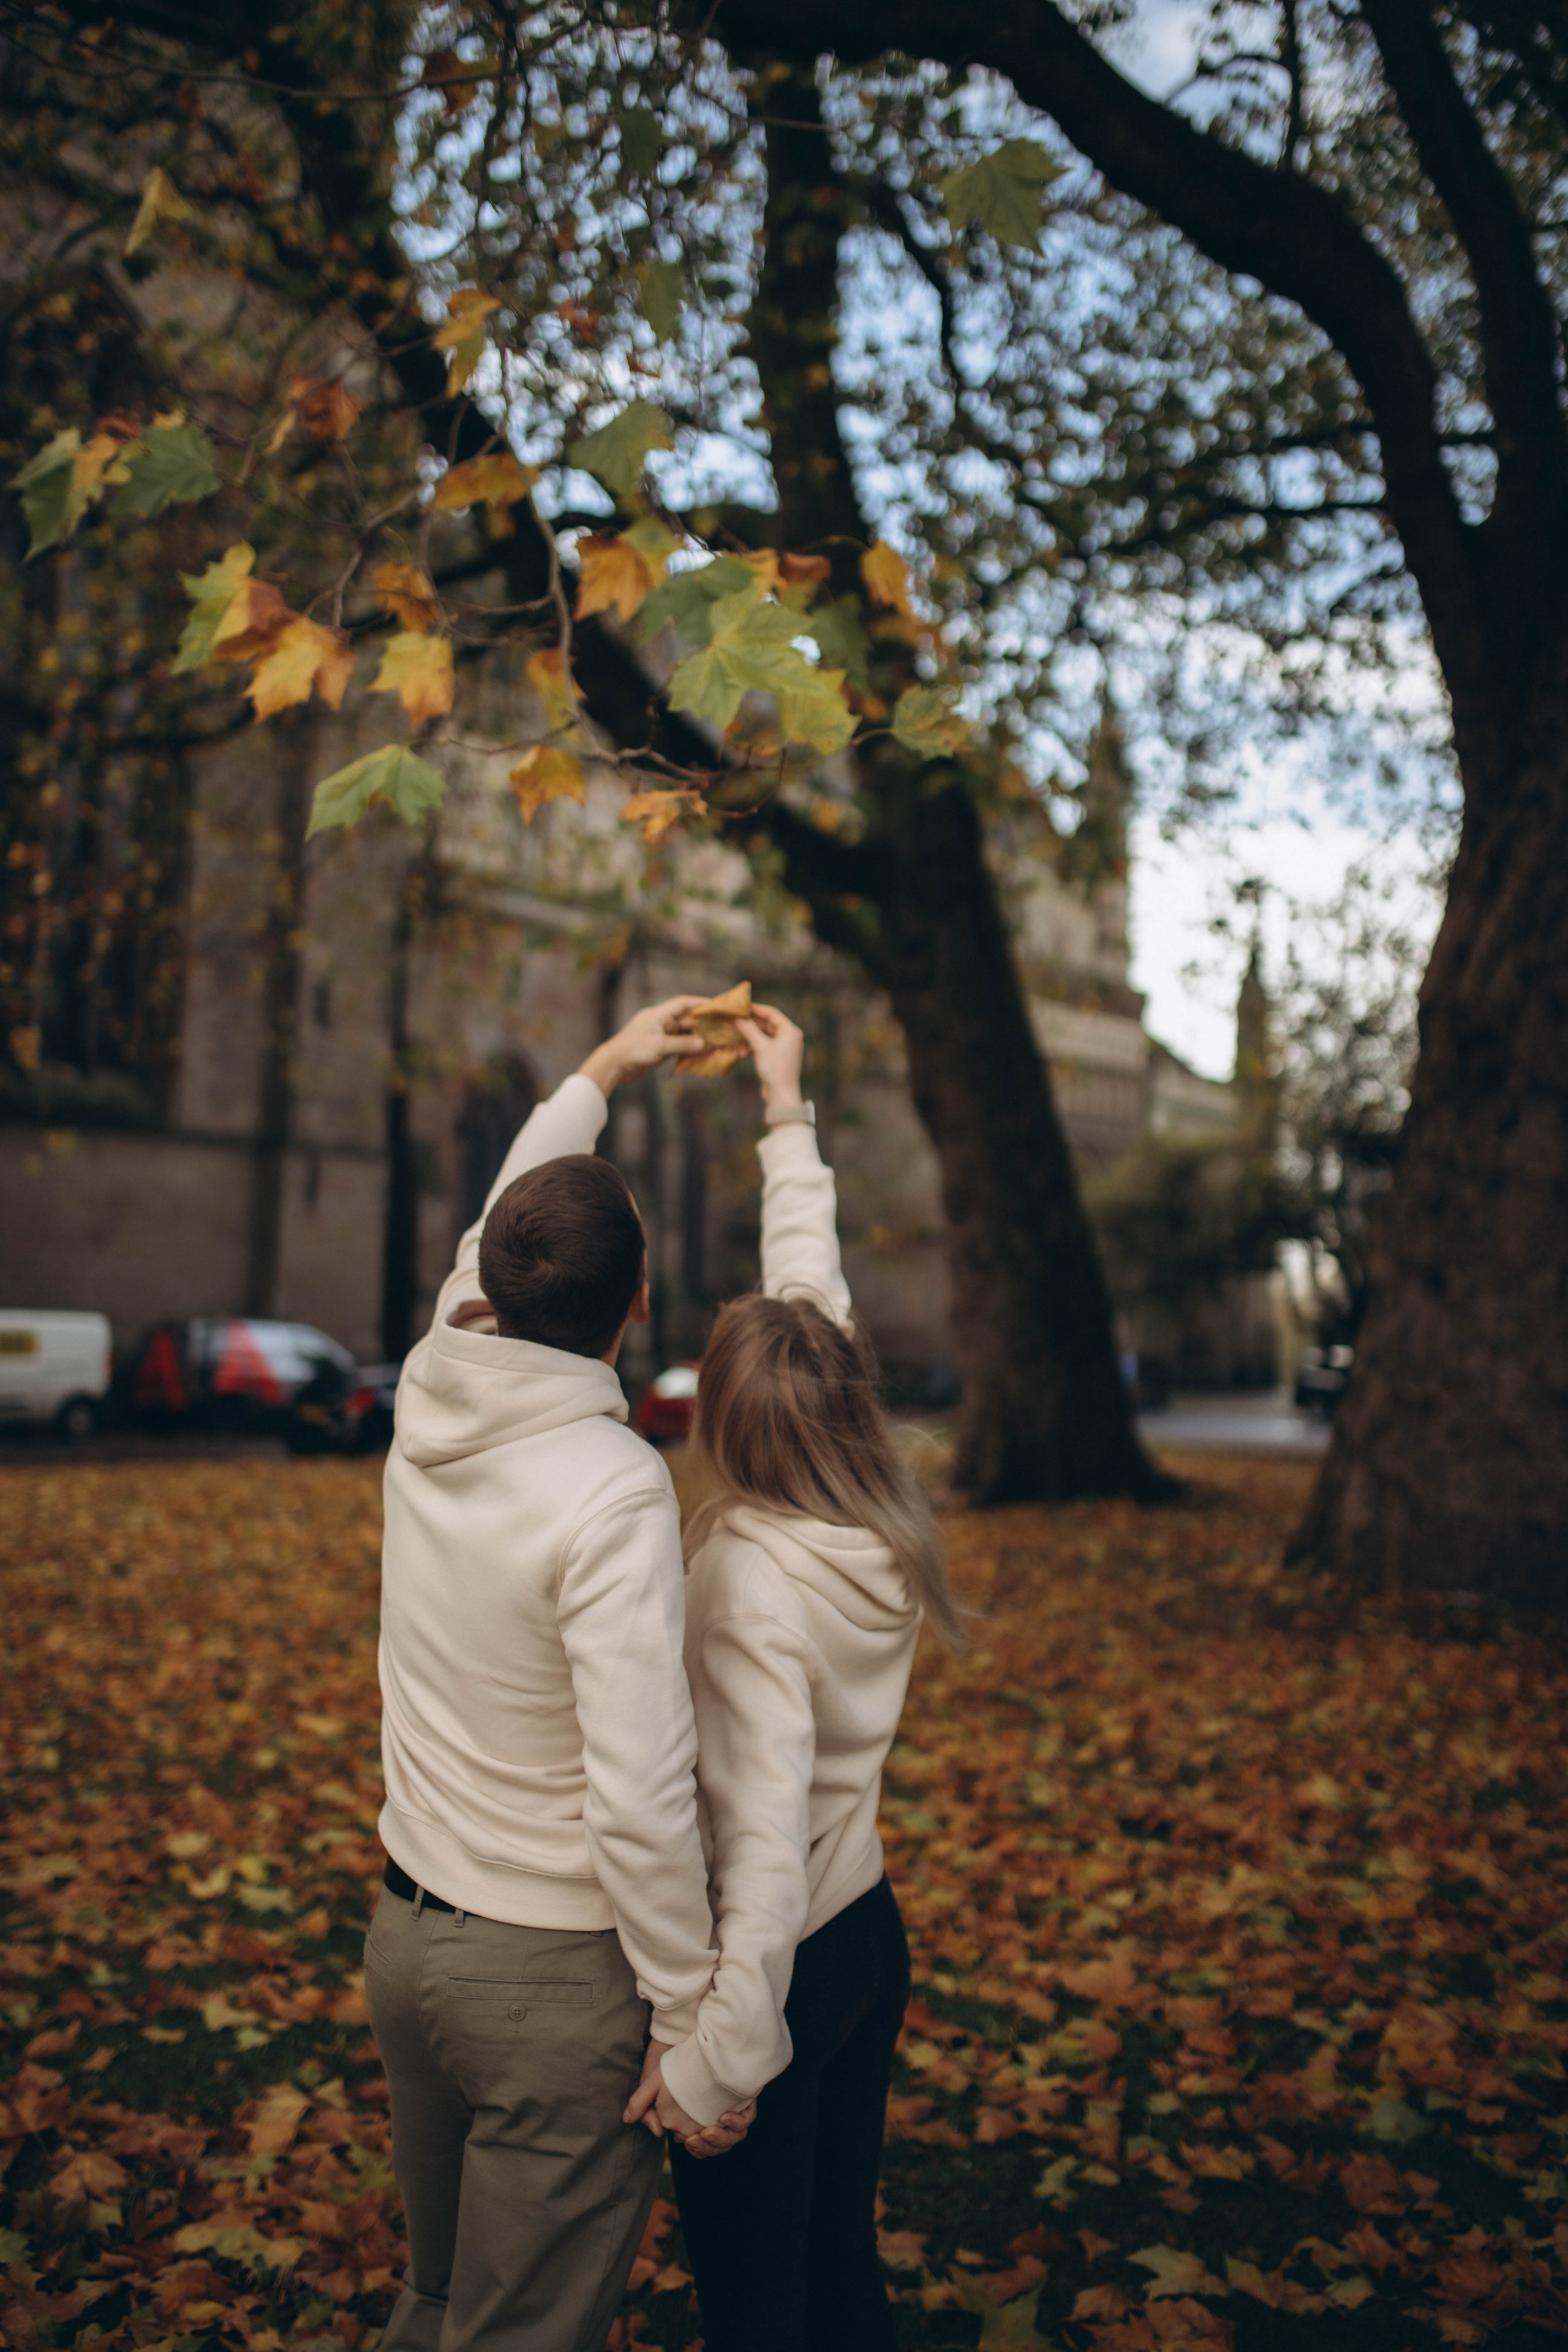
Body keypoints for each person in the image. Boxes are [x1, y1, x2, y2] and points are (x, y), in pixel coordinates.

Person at [366, 998, 753, 2352]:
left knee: (433, 2302)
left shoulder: (430, 1375)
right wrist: (692, 2013)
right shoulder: (612, 1484)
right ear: (635, 1304)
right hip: (544, 1985)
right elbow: (639, 1790)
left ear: (499, 1283)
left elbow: (494, 1224)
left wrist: (599, 1066)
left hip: (406, 1944)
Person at [624, 1003, 965, 2352]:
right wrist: (784, 1110)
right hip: (867, 1936)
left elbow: (758, 1853)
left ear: (722, 1423)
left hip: (794, 1959)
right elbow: (806, 1292)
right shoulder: (870, 1510)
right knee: (838, 2264)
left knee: (762, 2306)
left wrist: (713, 2064)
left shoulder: (745, 1585)